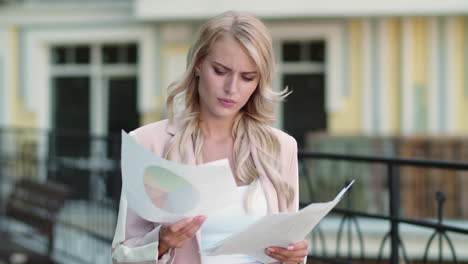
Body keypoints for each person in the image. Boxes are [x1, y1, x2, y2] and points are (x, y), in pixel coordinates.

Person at [111, 10, 308, 264]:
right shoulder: (148, 144)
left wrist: (294, 257)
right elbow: (120, 256)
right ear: (198, 65)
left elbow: (289, 246)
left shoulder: (281, 148)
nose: (232, 88)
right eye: (220, 71)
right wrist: (161, 243)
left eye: (247, 77)